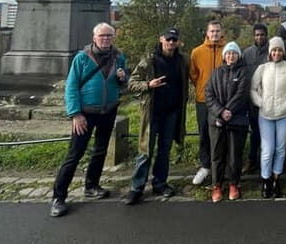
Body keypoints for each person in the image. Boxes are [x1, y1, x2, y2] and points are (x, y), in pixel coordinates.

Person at [50, 22, 127, 217]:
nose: (106, 39)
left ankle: (91, 186)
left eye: (109, 36)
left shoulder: (119, 57)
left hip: (108, 111)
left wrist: (122, 78)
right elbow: (71, 87)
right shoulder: (82, 59)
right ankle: (58, 197)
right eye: (102, 36)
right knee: (75, 154)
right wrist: (75, 114)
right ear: (94, 38)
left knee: (100, 151)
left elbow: (123, 85)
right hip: (85, 113)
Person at [124, 27, 189, 205]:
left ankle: (160, 183)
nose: (171, 42)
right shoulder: (149, 60)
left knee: (164, 150)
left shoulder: (182, 60)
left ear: (178, 42)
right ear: (161, 39)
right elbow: (131, 83)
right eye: (168, 39)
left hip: (172, 112)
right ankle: (136, 187)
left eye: (174, 40)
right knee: (145, 151)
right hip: (152, 113)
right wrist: (148, 84)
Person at [250, 37, 286, 198]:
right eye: (274, 50)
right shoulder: (262, 68)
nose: (276, 53)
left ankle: (277, 178)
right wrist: (260, 102)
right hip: (266, 115)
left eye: (279, 50)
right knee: (267, 149)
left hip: (284, 115)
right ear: (270, 52)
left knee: (280, 149)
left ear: (283, 51)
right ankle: (266, 179)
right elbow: (253, 89)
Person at [205, 41, 250, 202]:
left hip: (236, 119)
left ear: (238, 55)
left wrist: (229, 110)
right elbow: (209, 94)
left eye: (234, 53)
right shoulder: (216, 72)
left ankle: (233, 184)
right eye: (228, 53)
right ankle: (217, 185)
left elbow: (242, 94)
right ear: (224, 56)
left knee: (234, 155)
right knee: (217, 154)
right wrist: (220, 111)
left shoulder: (244, 72)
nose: (231, 56)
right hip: (217, 120)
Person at [189, 20, 226, 186]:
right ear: (207, 33)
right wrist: (202, 87)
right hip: (203, 100)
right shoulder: (197, 52)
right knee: (204, 133)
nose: (215, 34)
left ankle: (220, 165)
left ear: (222, 33)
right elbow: (194, 74)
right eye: (212, 31)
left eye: (217, 31)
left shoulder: (228, 50)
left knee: (220, 134)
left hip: (221, 100)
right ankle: (205, 166)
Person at [241, 23, 269, 174]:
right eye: (257, 35)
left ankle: (267, 161)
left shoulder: (272, 51)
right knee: (255, 131)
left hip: (269, 99)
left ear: (266, 35)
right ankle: (252, 160)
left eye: (262, 34)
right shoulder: (247, 53)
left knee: (268, 133)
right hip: (252, 100)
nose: (259, 37)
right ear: (253, 36)